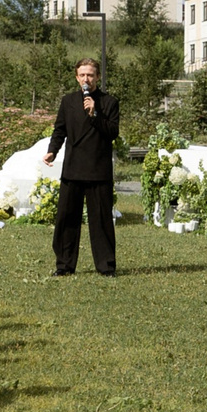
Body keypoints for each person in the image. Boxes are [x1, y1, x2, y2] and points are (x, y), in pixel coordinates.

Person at [46, 57, 121, 276]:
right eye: (82, 75)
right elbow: (60, 130)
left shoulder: (109, 102)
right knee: (67, 220)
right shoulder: (68, 101)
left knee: (102, 222)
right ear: (76, 77)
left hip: (98, 170)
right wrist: (52, 150)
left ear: (98, 77)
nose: (86, 79)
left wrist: (95, 113)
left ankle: (106, 266)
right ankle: (64, 265)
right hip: (73, 169)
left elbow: (112, 132)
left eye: (90, 75)